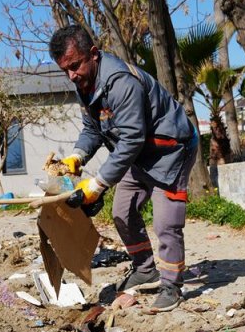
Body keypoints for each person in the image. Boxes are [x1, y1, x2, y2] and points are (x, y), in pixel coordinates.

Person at [49, 25, 198, 312]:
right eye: (65, 70)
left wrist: (97, 185)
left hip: (170, 150)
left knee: (166, 223)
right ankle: (145, 270)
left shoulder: (120, 82)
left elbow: (131, 139)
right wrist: (77, 156)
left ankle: (172, 285)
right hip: (140, 153)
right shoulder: (85, 85)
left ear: (93, 54)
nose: (71, 75)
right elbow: (93, 129)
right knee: (122, 211)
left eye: (75, 65)